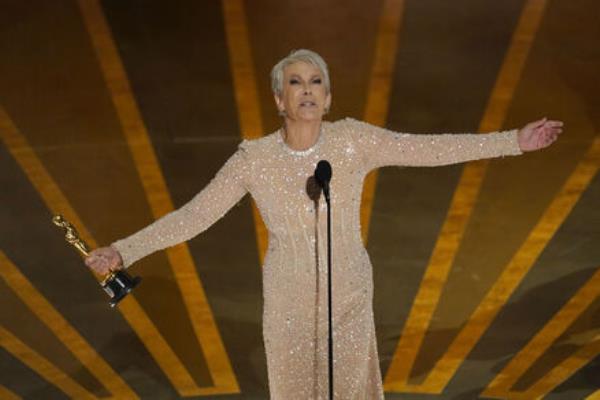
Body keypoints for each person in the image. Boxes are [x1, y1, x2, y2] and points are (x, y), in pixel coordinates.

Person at [85, 49, 563, 399]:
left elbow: (431, 149)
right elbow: (194, 215)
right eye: (295, 82)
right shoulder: (254, 159)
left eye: (316, 82)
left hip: (349, 295)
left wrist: (513, 142)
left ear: (329, 97)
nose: (307, 89)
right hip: (287, 303)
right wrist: (124, 251)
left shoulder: (353, 141)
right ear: (279, 99)